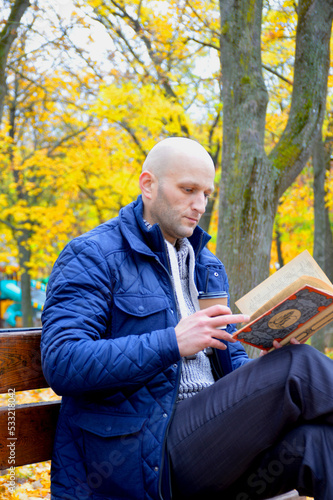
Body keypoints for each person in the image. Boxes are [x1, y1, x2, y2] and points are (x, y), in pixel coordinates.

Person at [41, 137, 333, 500]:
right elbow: (63, 361)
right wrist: (172, 342)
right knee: (299, 366)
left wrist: (267, 361)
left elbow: (228, 358)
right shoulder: (93, 255)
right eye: (188, 190)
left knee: (318, 444)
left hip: (214, 442)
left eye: (207, 194)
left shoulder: (207, 265)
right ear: (148, 185)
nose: (200, 205)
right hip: (144, 454)